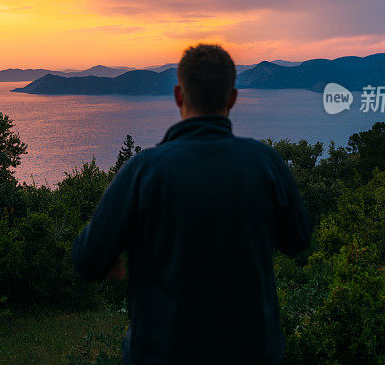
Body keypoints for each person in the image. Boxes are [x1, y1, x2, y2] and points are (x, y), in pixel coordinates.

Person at [71, 43, 311, 364]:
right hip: (252, 352)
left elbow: (87, 259)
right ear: (232, 99)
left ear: (178, 96)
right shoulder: (265, 164)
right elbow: (298, 242)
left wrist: (115, 250)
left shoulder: (144, 170)